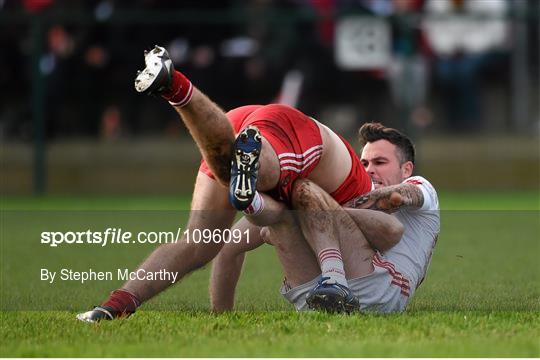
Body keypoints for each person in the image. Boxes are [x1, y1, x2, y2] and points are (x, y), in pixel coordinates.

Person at [77, 45, 373, 322]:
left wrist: (224, 319)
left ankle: (113, 306)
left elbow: (230, 248)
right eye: (374, 161)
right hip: (293, 135)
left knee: (200, 242)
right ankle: (251, 159)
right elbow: (391, 228)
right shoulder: (369, 198)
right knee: (274, 178)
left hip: (233, 126)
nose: (374, 167)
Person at [211, 123, 440, 313]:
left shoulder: (421, 186)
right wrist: (221, 318)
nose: (369, 170)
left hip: (379, 291)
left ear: (407, 169)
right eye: (364, 164)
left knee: (303, 190)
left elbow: (399, 198)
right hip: (311, 297)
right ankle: (253, 204)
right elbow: (227, 247)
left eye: (380, 162)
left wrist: (318, 211)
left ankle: (333, 276)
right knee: (288, 205)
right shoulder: (349, 194)